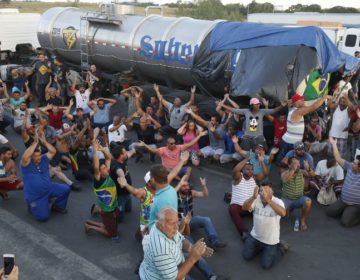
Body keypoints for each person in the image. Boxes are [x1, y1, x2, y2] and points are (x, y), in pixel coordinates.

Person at [139, 207, 213, 280]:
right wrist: (192, 258)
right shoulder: (161, 250)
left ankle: (212, 277)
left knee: (196, 254)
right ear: (160, 226)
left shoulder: (163, 228)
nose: (176, 227)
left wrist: (192, 248)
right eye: (172, 224)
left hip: (172, 263)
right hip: (167, 276)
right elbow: (175, 278)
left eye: (177, 222)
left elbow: (181, 239)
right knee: (195, 256)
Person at [20, 131, 70, 221]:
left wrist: (44, 141)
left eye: (39, 155)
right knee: (43, 217)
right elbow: (24, 157)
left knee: (65, 189)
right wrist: (35, 143)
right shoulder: (26, 164)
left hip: (48, 188)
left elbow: (53, 151)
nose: (38, 158)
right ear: (31, 157)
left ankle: (57, 206)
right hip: (36, 196)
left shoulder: (43, 158)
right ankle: (31, 205)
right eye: (35, 156)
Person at [242, 183, 287, 270]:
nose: (263, 193)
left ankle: (281, 249)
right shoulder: (256, 199)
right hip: (255, 236)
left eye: (266, 191)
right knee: (246, 256)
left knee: (266, 265)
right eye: (261, 190)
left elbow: (283, 213)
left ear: (272, 192)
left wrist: (268, 200)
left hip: (270, 241)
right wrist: (253, 197)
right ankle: (260, 248)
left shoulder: (278, 201)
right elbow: (244, 207)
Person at [175, 176, 227, 250]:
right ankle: (193, 251)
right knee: (188, 240)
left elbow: (204, 194)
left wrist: (204, 185)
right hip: (179, 224)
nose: (187, 187)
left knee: (206, 220)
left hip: (190, 220)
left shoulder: (190, 193)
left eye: (187, 185)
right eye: (184, 186)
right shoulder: (174, 196)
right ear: (179, 186)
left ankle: (214, 241)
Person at [220, 97, 287, 150]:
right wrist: (222, 105)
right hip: (248, 138)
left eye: (259, 104)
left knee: (258, 154)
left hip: (258, 138)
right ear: (252, 105)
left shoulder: (262, 111)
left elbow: (274, 110)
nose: (258, 105)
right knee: (247, 154)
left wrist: (281, 106)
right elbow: (233, 110)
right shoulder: (246, 111)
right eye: (257, 104)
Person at [85, 141, 120, 238]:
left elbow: (109, 158)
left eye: (105, 167)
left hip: (113, 206)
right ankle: (90, 227)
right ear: (99, 172)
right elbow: (96, 167)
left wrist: (103, 150)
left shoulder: (106, 175)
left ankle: (91, 223)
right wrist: (95, 150)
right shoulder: (98, 180)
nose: (106, 169)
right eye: (103, 169)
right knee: (111, 234)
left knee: (111, 226)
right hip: (107, 210)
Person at [139, 131, 207, 178]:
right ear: (167, 144)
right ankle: (180, 180)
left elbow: (191, 143)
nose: (174, 144)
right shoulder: (163, 149)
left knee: (189, 169)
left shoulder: (178, 147)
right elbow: (153, 150)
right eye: (171, 143)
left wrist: (199, 136)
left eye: (174, 143)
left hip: (177, 169)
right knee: (168, 170)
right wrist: (145, 145)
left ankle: (184, 181)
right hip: (167, 170)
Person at [280, 93, 329, 159]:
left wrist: (294, 101)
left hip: (288, 141)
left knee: (286, 161)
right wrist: (324, 97)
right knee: (291, 163)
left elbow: (291, 102)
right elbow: (313, 107)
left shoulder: (291, 109)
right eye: (301, 100)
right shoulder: (298, 111)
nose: (303, 101)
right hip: (292, 143)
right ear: (297, 102)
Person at [326, 137, 360, 227]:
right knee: (329, 212)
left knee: (345, 222)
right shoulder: (349, 166)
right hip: (343, 200)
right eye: (354, 162)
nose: (353, 163)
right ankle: (347, 211)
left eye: (355, 163)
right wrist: (334, 144)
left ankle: (355, 215)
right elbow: (338, 158)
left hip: (355, 204)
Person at [229, 157, 257, 241]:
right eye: (247, 169)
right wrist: (246, 159)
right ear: (242, 170)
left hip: (250, 207)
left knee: (263, 209)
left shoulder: (254, 179)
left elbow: (265, 174)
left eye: (251, 169)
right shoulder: (238, 177)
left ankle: (263, 234)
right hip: (239, 206)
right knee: (232, 209)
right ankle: (244, 233)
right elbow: (235, 170)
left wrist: (261, 161)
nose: (250, 171)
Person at [281, 157, 312, 231]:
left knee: (308, 201)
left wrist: (308, 168)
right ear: (289, 165)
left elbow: (312, 175)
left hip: (298, 199)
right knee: (281, 214)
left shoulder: (302, 172)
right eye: (295, 163)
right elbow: (285, 180)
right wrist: (293, 170)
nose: (298, 165)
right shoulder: (284, 173)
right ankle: (289, 209)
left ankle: (303, 221)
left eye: (298, 163)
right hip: (287, 199)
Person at [110, 145, 136, 222]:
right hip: (120, 195)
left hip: (127, 193)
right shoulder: (115, 166)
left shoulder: (122, 159)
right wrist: (122, 178)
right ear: (120, 155)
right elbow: (119, 171)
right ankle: (99, 209)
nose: (126, 153)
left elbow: (129, 154)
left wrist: (133, 150)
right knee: (120, 218)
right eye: (124, 152)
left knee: (128, 210)